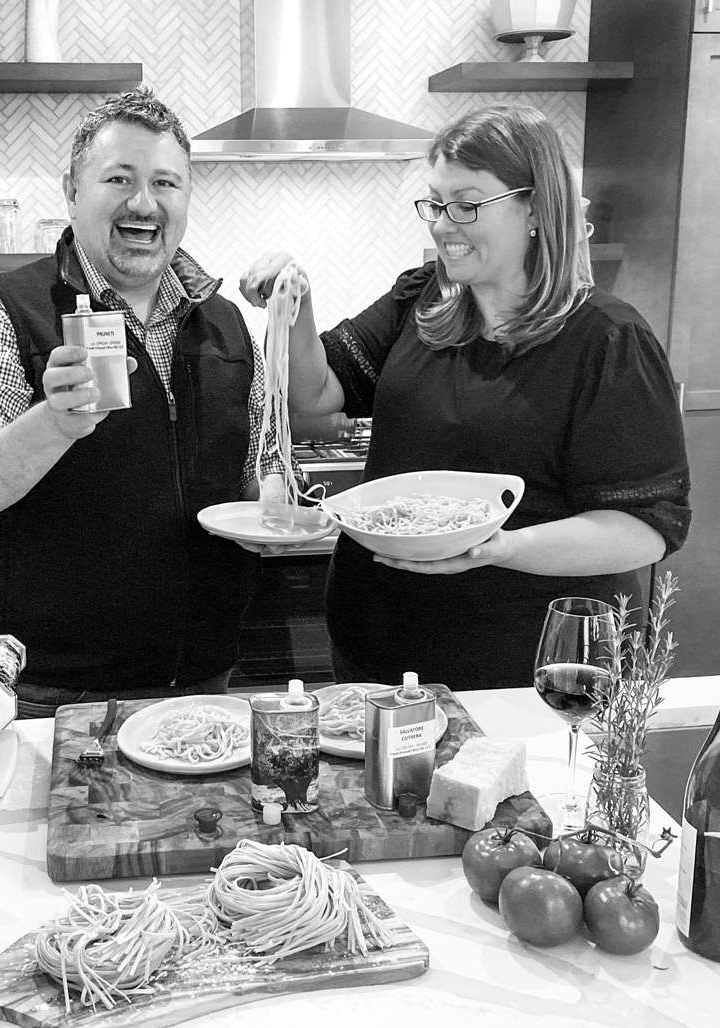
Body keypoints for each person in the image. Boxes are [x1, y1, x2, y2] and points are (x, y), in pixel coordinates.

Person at [240, 102, 690, 691]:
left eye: (467, 204)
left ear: (535, 206)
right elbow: (318, 399)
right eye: (435, 203)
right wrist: (291, 303)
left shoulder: (608, 340)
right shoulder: (423, 301)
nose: (442, 224)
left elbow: (643, 528)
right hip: (378, 652)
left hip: (525, 669)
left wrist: (500, 547)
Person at [0, 87, 287, 717]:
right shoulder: (5, 312)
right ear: (72, 190)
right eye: (120, 178)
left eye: (166, 183)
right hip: (52, 698)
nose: (144, 202)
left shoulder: (225, 325)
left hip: (204, 686)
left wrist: (276, 504)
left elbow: (263, 471)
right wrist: (52, 425)